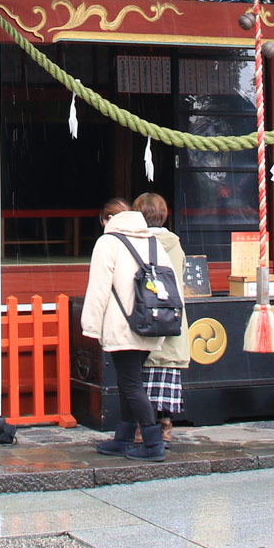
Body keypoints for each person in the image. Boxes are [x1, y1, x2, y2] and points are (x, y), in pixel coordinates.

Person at [81, 198, 169, 460]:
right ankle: (124, 438)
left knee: (131, 385)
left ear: (106, 220)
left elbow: (98, 289)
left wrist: (91, 327)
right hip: (151, 321)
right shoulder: (153, 241)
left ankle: (153, 443)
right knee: (129, 381)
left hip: (123, 325)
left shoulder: (108, 243)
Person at [133, 192, 189, 442]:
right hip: (171, 315)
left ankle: (142, 427)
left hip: (145, 314)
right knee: (168, 373)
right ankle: (166, 425)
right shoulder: (175, 244)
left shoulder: (137, 243)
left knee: (141, 377)